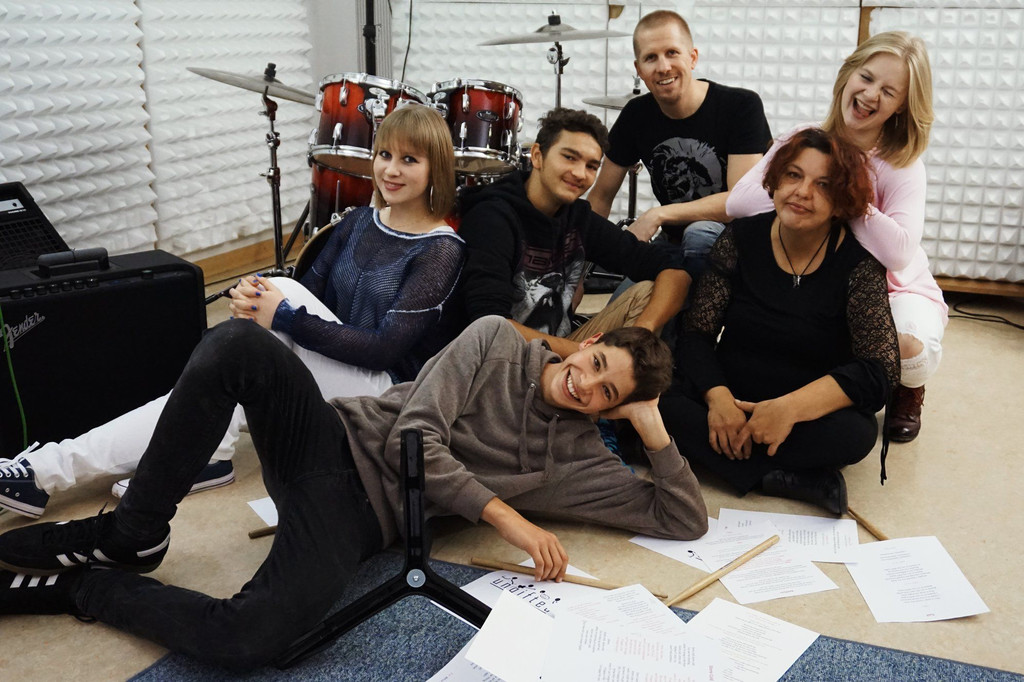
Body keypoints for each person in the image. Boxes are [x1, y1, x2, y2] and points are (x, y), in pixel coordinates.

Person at [0, 316, 708, 670]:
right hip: (328, 441)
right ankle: (131, 535)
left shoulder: (577, 459)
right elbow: (415, 440)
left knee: (252, 638)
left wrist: (651, 428)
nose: (587, 384)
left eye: (607, 393)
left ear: (613, 409)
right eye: (597, 363)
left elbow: (681, 519)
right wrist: (506, 519)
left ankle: (88, 590)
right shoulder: (496, 340)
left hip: (358, 519)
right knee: (238, 342)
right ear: (586, 342)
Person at [0, 104, 466, 518]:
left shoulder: (441, 250)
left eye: (409, 160)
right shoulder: (359, 221)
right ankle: (48, 469)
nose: (391, 170)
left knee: (271, 304)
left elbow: (384, 350)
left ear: (436, 169)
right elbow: (311, 295)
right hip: (334, 370)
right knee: (232, 361)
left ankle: (202, 452)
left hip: (385, 398)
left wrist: (279, 312)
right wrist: (264, 305)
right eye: (384, 154)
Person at [659, 128, 900, 514]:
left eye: (823, 184)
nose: (802, 192)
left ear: (841, 201)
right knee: (659, 399)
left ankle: (731, 463)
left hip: (806, 408)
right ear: (775, 181)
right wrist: (718, 400)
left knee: (857, 433)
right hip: (733, 392)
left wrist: (790, 409)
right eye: (793, 175)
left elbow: (880, 370)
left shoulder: (859, 264)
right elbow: (697, 332)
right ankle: (781, 477)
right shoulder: (740, 238)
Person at [726, 31, 945, 443]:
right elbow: (739, 202)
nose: (870, 94)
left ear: (902, 106)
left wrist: (846, 195)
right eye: (866, 77)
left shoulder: (902, 164)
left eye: (888, 91)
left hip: (893, 287)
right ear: (848, 74)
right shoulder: (804, 137)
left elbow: (899, 253)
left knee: (906, 349)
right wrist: (808, 184)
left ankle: (908, 388)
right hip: (822, 279)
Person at [446, 107, 691, 360]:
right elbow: (490, 327)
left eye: (591, 166)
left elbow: (674, 271)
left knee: (648, 292)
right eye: (570, 157)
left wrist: (642, 332)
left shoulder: (578, 217)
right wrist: (590, 355)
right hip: (496, 364)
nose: (580, 174)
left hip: (560, 357)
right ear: (538, 156)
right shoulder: (492, 218)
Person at [587, 10, 772, 299]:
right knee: (621, 308)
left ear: (692, 57)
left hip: (737, 244)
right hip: (673, 245)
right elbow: (600, 197)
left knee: (698, 234)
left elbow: (739, 202)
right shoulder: (636, 115)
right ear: (639, 69)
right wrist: (575, 269)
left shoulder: (740, 106)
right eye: (651, 58)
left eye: (672, 53)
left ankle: (692, 323)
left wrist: (658, 214)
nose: (663, 67)